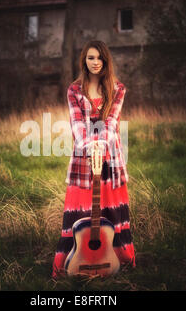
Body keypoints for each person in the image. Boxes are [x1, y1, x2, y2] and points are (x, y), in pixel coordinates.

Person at [51, 40, 135, 279]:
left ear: (105, 61)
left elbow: (111, 122)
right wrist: (90, 147)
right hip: (83, 159)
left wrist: (101, 145)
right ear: (84, 61)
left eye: (99, 58)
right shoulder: (74, 90)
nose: (95, 62)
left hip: (111, 158)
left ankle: (118, 262)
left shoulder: (117, 89)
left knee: (111, 210)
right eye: (90, 58)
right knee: (79, 209)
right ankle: (71, 264)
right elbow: (77, 124)